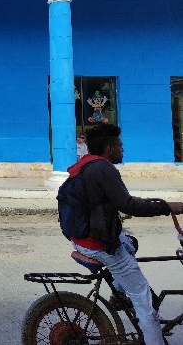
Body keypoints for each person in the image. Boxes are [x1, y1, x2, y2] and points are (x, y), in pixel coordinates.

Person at [66, 123, 183, 345]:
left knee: (130, 243)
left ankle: (118, 296)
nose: (123, 149)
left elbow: (108, 199)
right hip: (98, 244)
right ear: (109, 149)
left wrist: (132, 204)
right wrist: (167, 207)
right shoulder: (105, 169)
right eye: (120, 146)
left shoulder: (86, 165)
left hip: (82, 237)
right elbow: (129, 205)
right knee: (145, 302)